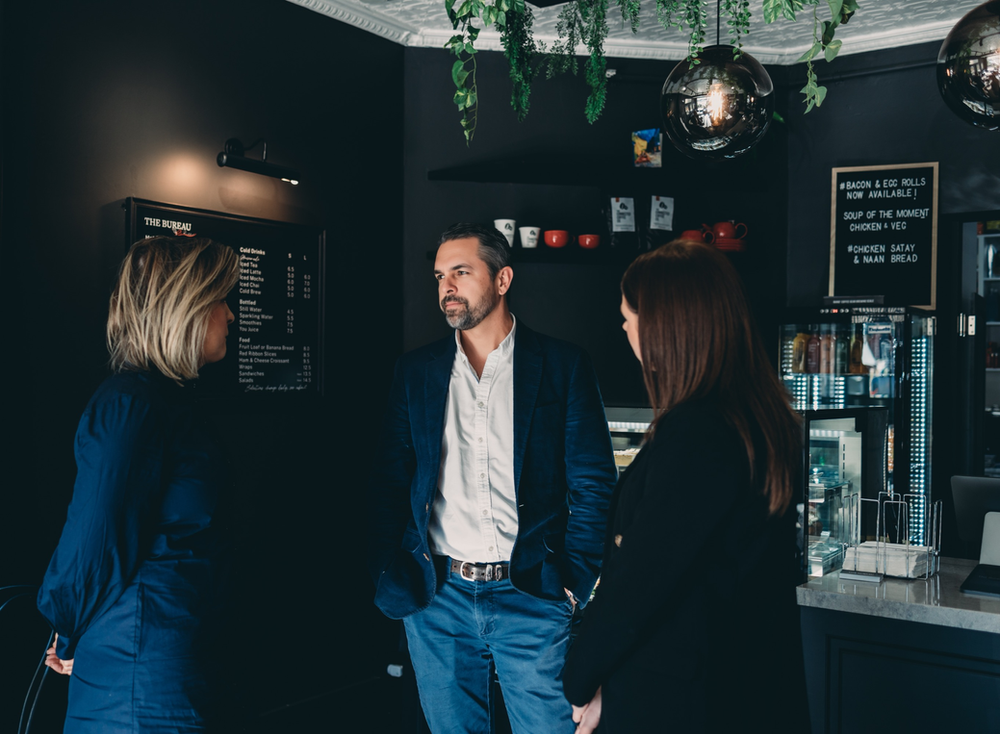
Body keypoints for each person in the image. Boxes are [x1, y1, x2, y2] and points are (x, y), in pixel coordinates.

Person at [369, 223, 617, 733]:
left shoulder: (563, 365)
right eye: (440, 276)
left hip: (532, 595)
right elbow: (392, 479)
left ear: (502, 280)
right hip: (438, 599)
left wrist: (574, 583)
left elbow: (594, 483)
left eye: (461, 272)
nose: (446, 287)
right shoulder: (416, 371)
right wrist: (390, 568)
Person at [562, 239, 808, 734]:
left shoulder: (698, 433)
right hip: (744, 685)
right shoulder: (759, 418)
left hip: (683, 699)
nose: (626, 328)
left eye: (630, 317)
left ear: (666, 327)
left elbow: (643, 579)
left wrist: (581, 678)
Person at [37, 236, 239, 734]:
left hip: (169, 656)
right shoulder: (130, 404)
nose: (231, 315)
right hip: (136, 670)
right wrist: (66, 630)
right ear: (185, 308)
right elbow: (94, 535)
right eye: (221, 299)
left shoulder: (166, 403)